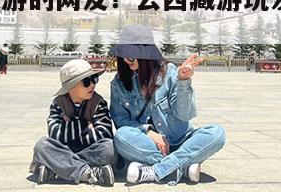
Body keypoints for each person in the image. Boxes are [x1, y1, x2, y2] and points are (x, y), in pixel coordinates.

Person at [109, 24, 226, 185]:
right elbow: (119, 119)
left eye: (130, 56)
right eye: (123, 55)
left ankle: (157, 170)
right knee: (122, 136)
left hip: (182, 140)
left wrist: (183, 81)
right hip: (148, 145)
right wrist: (148, 131)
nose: (125, 60)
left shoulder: (170, 72)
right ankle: (183, 166)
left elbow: (186, 115)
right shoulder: (119, 83)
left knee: (217, 133)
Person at [30, 59, 116, 186]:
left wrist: (69, 129)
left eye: (94, 79)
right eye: (86, 82)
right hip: (64, 150)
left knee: (110, 148)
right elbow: (55, 134)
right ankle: (88, 172)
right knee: (41, 145)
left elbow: (105, 133)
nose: (92, 85)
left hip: (86, 151)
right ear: (70, 87)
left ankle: (59, 170)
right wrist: (85, 125)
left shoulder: (98, 102)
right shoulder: (58, 103)